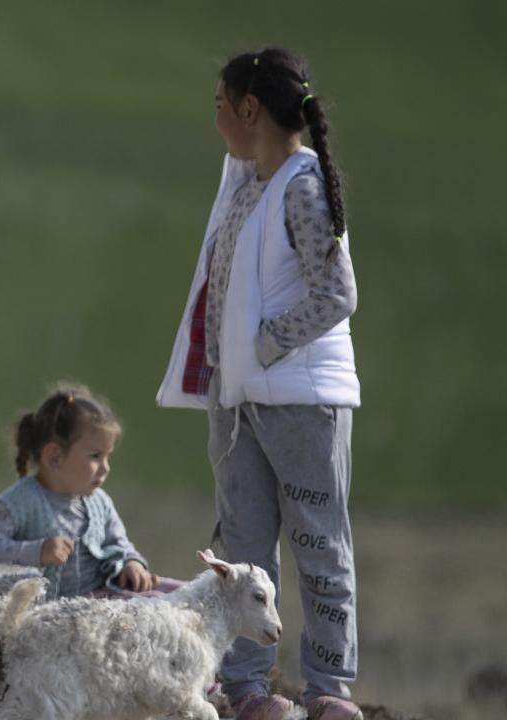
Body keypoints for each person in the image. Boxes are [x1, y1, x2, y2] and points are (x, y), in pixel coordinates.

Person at [156, 47, 363, 720]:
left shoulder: (301, 188)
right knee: (243, 556)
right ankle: (247, 690)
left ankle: (328, 690)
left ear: (249, 109)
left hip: (301, 402)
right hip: (240, 403)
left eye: (220, 104)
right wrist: (232, 371)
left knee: (317, 548)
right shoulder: (251, 186)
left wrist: (266, 345)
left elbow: (337, 292)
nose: (216, 117)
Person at [0, 383, 179, 601]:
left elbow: (119, 542)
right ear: (54, 457)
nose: (105, 468)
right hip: (71, 607)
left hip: (109, 590)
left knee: (182, 593)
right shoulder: (21, 502)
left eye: (107, 456)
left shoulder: (100, 501)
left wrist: (131, 563)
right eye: (95, 456)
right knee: (156, 603)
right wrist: (37, 551)